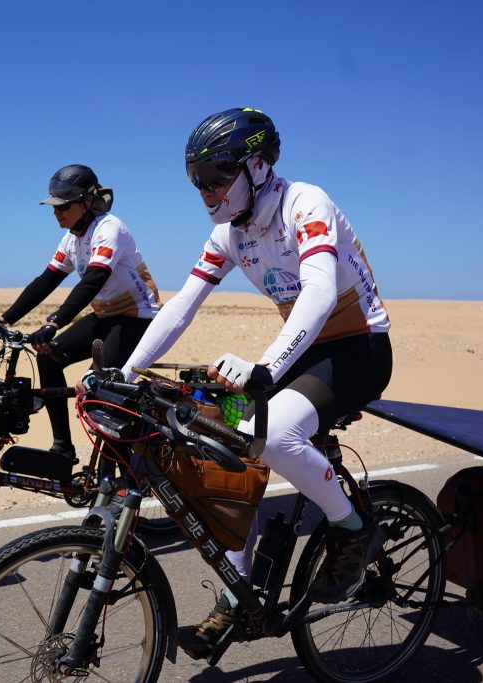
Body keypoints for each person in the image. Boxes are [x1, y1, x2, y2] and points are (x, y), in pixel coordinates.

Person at [120, 108, 393, 659]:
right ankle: (237, 595)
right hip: (302, 349)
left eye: (216, 175)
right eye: (196, 179)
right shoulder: (228, 234)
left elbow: (319, 293)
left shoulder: (305, 204)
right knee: (225, 444)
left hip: (358, 348)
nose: (206, 190)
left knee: (272, 434)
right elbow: (181, 307)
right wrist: (126, 371)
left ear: (258, 166)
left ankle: (352, 527)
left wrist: (265, 366)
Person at [1, 164, 161, 462]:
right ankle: (63, 447)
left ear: (87, 202)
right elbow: (46, 280)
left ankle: (118, 471)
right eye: (54, 206)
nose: (56, 212)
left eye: (64, 206)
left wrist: (54, 323)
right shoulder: (72, 239)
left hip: (137, 318)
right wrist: (4, 319)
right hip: (105, 316)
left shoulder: (109, 228)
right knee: (47, 357)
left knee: (100, 390)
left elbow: (93, 280)